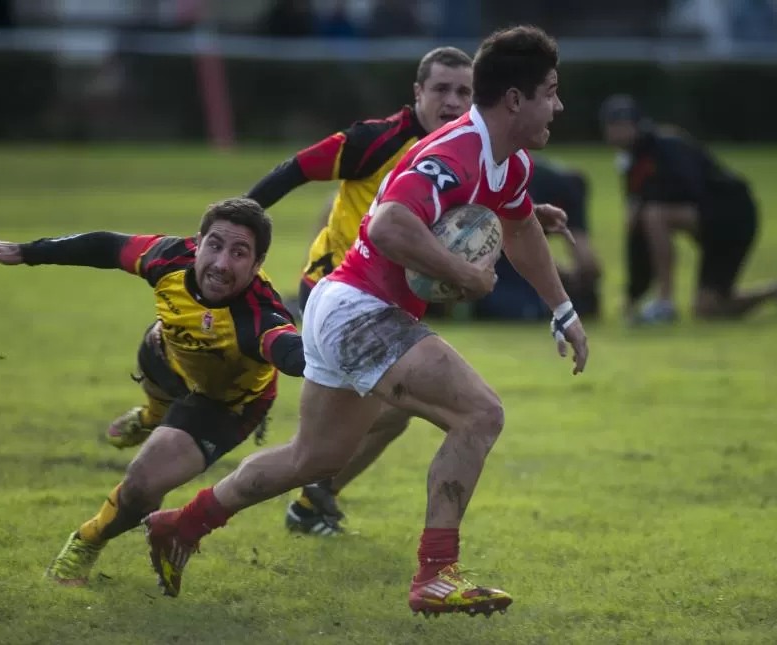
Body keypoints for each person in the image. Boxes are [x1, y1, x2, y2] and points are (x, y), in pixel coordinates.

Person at [142, 25, 589, 618]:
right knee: (480, 413)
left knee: (313, 459)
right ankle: (436, 573)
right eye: (550, 91)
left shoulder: (507, 163)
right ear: (514, 98)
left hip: (344, 306)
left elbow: (522, 227)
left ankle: (182, 525)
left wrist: (561, 309)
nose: (557, 104)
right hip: (360, 310)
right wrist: (464, 271)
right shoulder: (451, 152)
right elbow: (387, 226)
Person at [0, 198, 303, 585]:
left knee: (141, 485)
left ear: (256, 266)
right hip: (167, 357)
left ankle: (87, 539)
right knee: (158, 344)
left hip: (223, 403)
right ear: (197, 242)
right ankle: (151, 417)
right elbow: (105, 246)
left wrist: (330, 359)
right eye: (215, 245)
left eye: (239, 254)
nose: (222, 264)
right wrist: (25, 252)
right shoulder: (167, 257)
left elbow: (288, 350)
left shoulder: (259, 315)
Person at [243, 46, 474, 535]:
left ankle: (310, 499)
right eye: (441, 89)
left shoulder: (462, 150)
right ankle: (233, 503)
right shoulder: (377, 139)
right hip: (336, 291)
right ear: (418, 93)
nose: (452, 101)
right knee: (384, 418)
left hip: (386, 305)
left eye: (463, 91)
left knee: (391, 416)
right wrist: (234, 223)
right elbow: (296, 168)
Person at [599, 94, 777, 324]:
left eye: (620, 125)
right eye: (611, 126)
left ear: (637, 125)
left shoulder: (667, 145)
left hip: (733, 216)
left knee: (653, 214)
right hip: (712, 225)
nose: (615, 132)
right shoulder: (631, 162)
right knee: (708, 308)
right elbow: (637, 237)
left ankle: (665, 303)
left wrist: (644, 203)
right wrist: (633, 295)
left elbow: (690, 188)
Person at [473, 155, 602, 321]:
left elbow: (587, 263)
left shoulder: (567, 192)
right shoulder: (525, 186)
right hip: (494, 241)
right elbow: (515, 241)